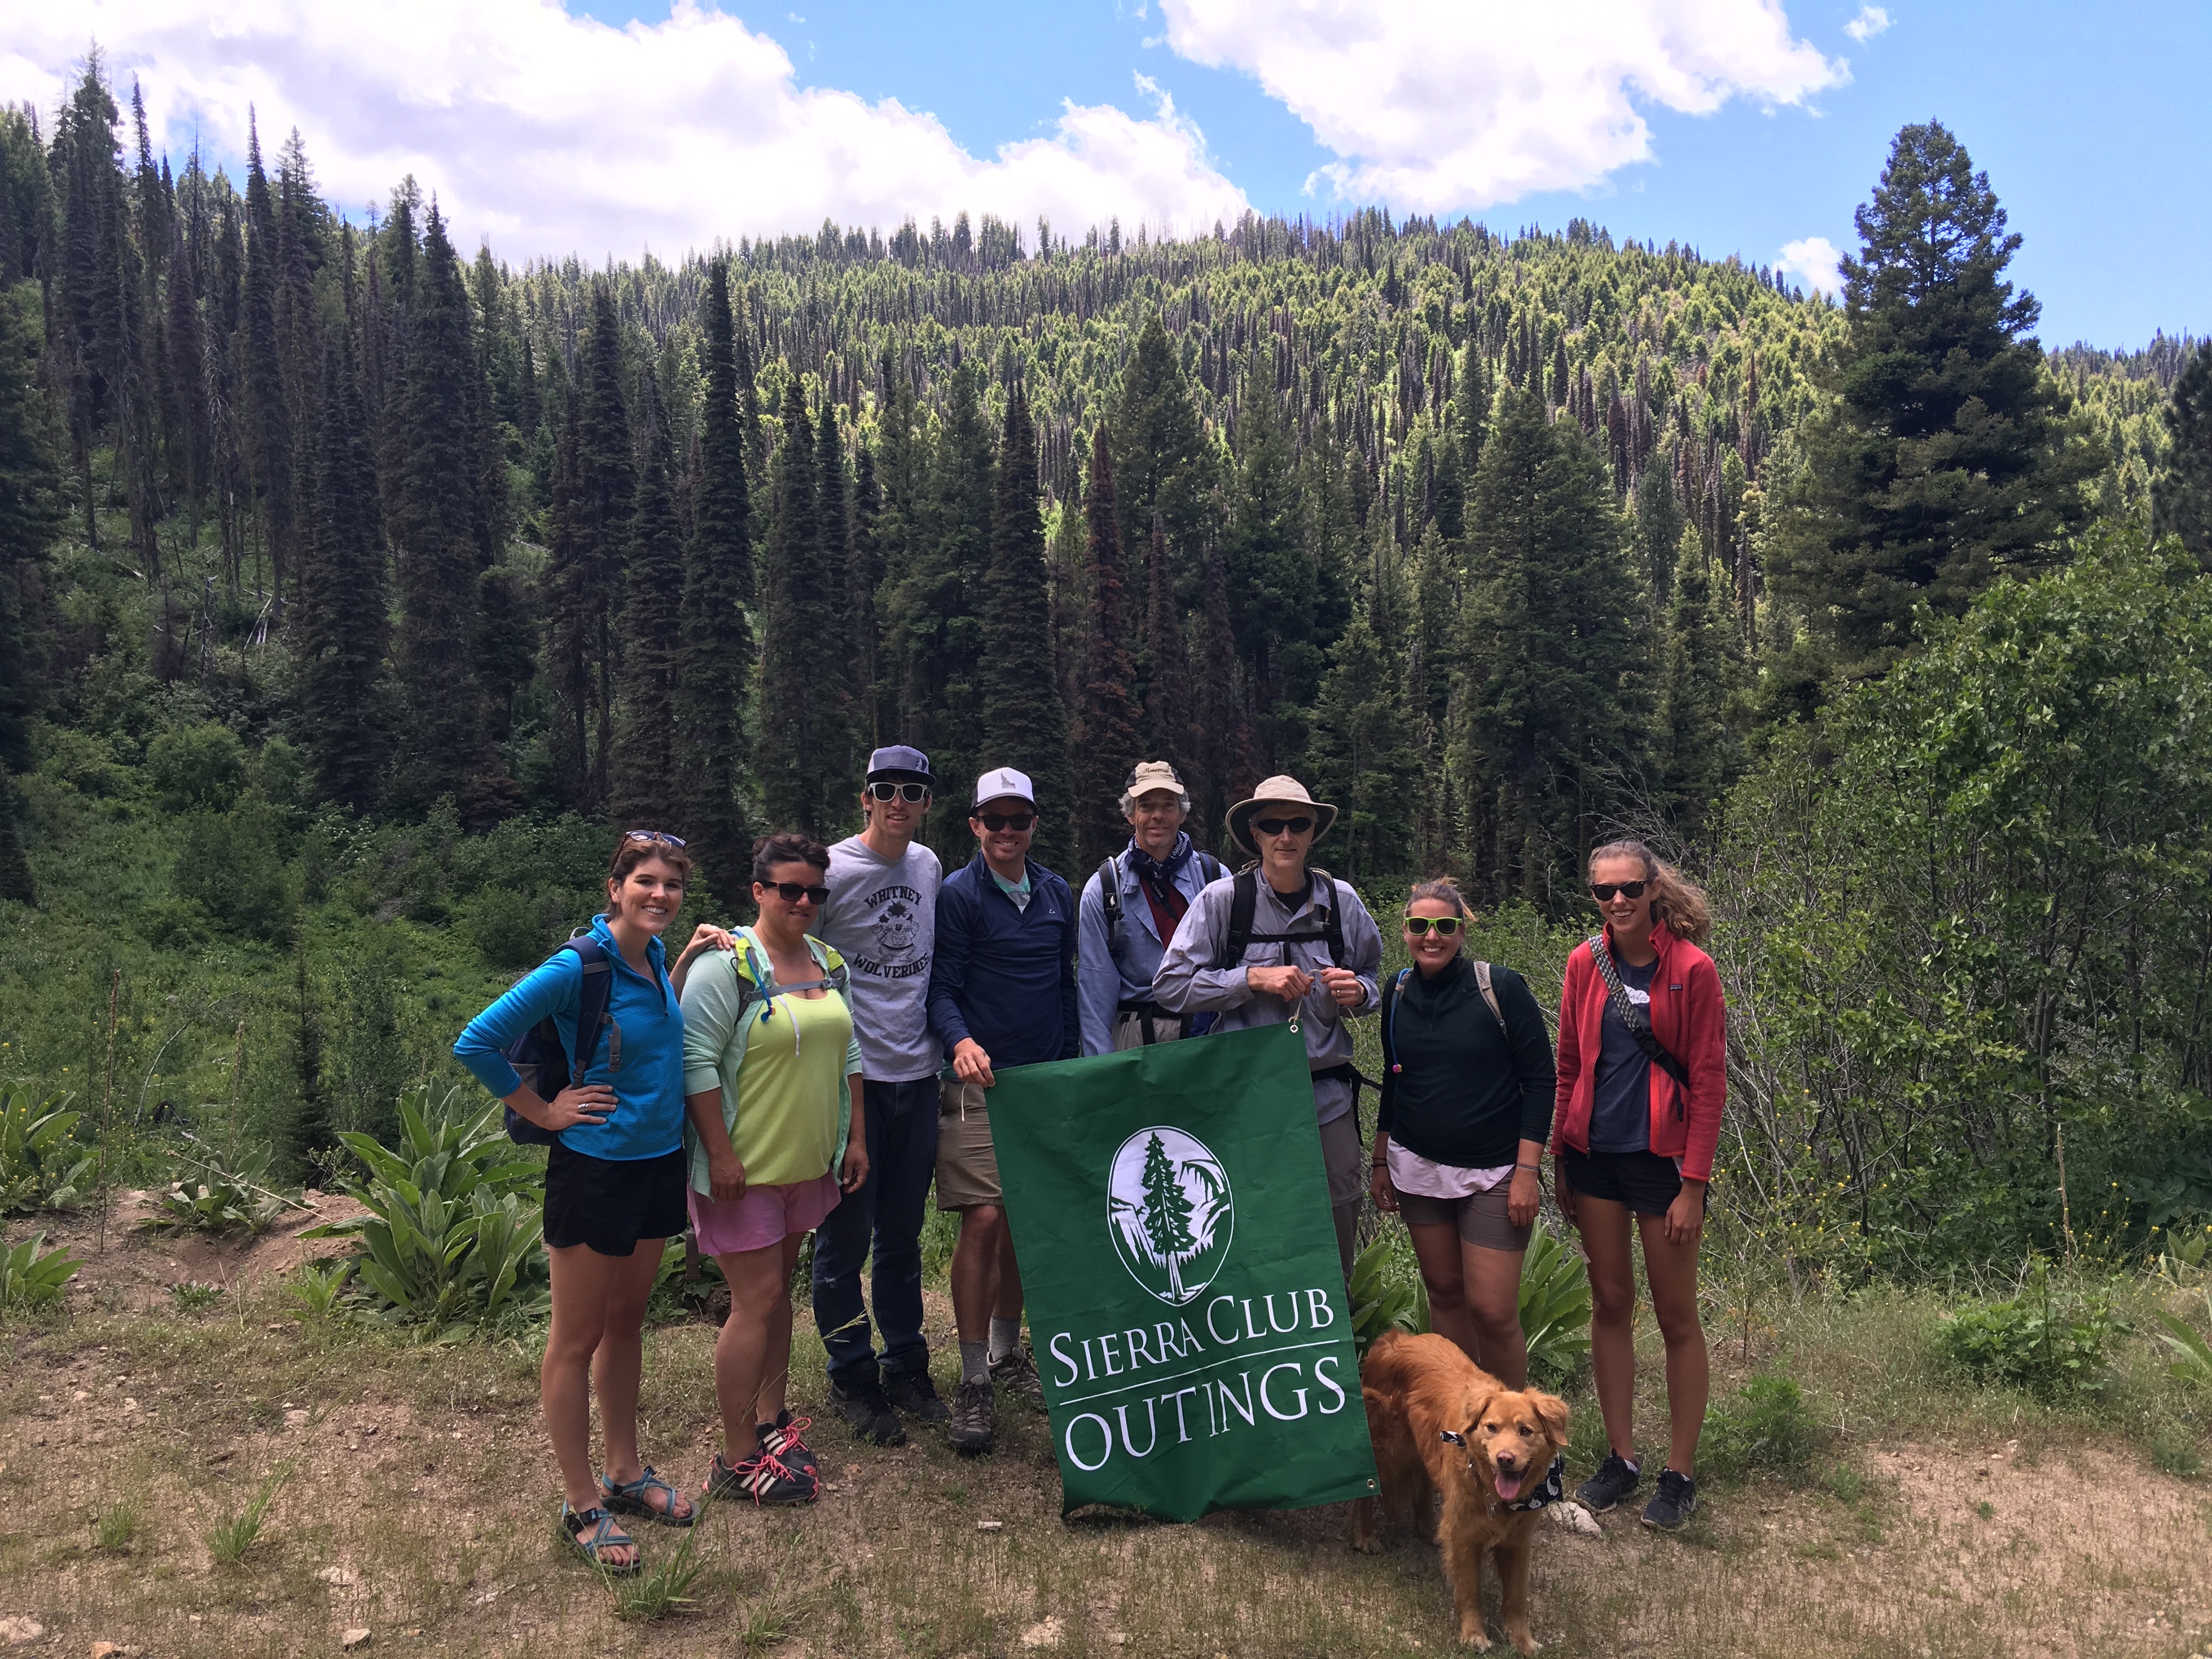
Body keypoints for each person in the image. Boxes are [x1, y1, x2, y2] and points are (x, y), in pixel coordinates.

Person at [453, 830, 732, 1573]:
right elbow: (477, 1041)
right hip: (594, 1171)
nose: (660, 895)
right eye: (645, 881)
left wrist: (685, 960)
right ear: (616, 888)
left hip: (654, 1167)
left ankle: (625, 1470)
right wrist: (545, 1112)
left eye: (672, 885)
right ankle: (582, 1503)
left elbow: (643, 1035)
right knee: (575, 1341)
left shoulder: (647, 964)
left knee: (626, 1326)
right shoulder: (579, 964)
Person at [680, 833, 869, 1506]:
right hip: (744, 1170)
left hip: (807, 1164)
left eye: (815, 891)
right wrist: (720, 1154)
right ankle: (736, 1461)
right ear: (757, 891)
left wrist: (855, 1140)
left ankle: (771, 1422)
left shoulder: (829, 962)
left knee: (777, 1296)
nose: (804, 901)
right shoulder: (725, 966)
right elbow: (695, 1061)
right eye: (789, 889)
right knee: (754, 1302)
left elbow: (850, 1057)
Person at [1553, 839, 1726, 1533]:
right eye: (1604, 892)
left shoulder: (1693, 970)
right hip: (1595, 1155)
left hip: (1665, 1163)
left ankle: (1679, 1474)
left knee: (1677, 1315)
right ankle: (1621, 1460)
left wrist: (1695, 1183)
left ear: (1655, 890)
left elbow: (1710, 1082)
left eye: (1629, 889)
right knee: (1610, 1303)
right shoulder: (1582, 964)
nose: (1618, 902)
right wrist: (1562, 1157)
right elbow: (1568, 1060)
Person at [1153, 775, 1383, 1280]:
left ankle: (1333, 1340)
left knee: (1336, 1218)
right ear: (1255, 834)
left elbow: (1373, 979)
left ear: (1312, 832)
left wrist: (1360, 993)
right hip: (1244, 1101)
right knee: (1248, 1222)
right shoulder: (1222, 902)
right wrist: (1250, 979)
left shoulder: (1342, 903)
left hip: (1326, 1099)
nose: (1286, 836)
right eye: (1273, 825)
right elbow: (1169, 987)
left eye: (1297, 824)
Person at [926, 766, 1079, 1455]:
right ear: (975, 826)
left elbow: (1070, 984)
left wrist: (1076, 1065)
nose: (1008, 832)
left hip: (1046, 1080)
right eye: (996, 820)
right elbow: (942, 987)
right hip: (979, 1082)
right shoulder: (958, 895)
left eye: (1020, 820)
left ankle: (1008, 1352)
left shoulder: (1056, 893)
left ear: (1034, 825)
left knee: (1026, 1219)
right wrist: (960, 1042)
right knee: (984, 1217)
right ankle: (973, 1379)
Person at [808, 745, 950, 1446]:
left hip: (918, 1077)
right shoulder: (833, 870)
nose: (898, 802)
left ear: (927, 804)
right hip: (850, 1083)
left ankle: (906, 1362)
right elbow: (788, 947)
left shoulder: (927, 866)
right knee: (844, 1237)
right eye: (885, 789)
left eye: (912, 792)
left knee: (902, 1235)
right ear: (864, 797)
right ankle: (851, 1374)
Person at [1369, 879, 1556, 1387]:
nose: (1432, 937)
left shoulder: (1500, 987)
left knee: (1493, 1312)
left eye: (1445, 926)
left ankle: (1521, 1430)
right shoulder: (1397, 990)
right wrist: (1381, 1159)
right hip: (1417, 1165)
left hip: (1496, 1170)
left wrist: (1526, 1172)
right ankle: (1463, 1427)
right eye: (1419, 926)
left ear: (1461, 930)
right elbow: (1394, 1075)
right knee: (1445, 1296)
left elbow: (1540, 1080)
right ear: (1404, 930)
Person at [1076, 761, 1223, 1055]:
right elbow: (1095, 990)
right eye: (1146, 806)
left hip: (1208, 1036)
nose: (1158, 815)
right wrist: (1102, 1071)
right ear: (1130, 815)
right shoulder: (1104, 889)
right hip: (1134, 1038)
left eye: (1168, 805)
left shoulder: (1215, 879)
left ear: (1182, 813)